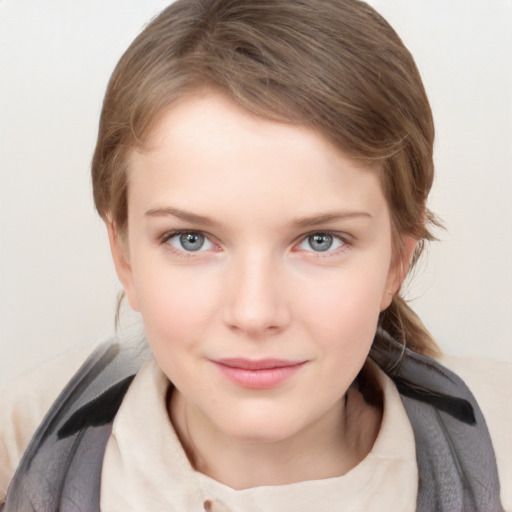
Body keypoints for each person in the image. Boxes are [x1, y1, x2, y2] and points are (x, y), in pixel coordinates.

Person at [1, 0, 510, 510]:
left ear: (397, 262)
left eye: (320, 240)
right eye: (191, 239)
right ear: (125, 256)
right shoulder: (18, 451)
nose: (254, 313)